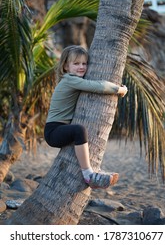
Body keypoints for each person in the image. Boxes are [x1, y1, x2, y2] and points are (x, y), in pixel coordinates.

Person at [44, 45, 128, 189]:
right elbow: (98, 86)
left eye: (84, 63)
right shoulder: (70, 80)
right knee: (79, 130)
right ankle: (88, 174)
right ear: (65, 66)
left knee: (78, 131)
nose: (81, 67)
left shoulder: (71, 79)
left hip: (59, 128)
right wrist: (119, 89)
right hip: (53, 131)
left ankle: (92, 170)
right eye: (76, 64)